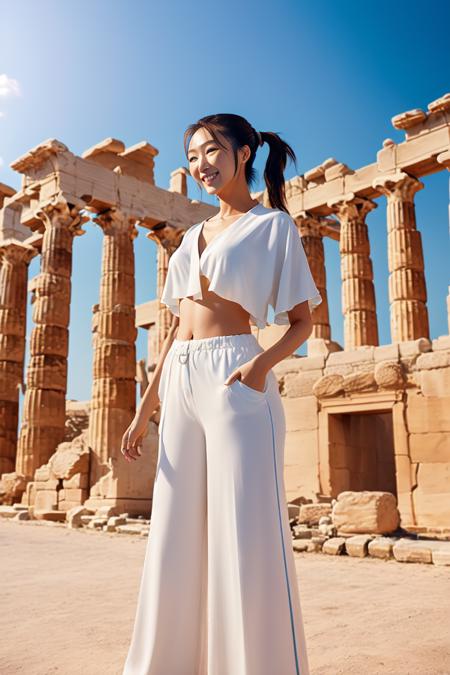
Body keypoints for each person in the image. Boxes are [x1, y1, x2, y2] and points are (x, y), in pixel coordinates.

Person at [120, 113, 322, 675]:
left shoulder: (273, 226)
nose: (200, 164)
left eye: (211, 151)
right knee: (173, 535)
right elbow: (177, 330)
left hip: (237, 373)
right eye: (192, 156)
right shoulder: (189, 237)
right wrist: (143, 412)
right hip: (181, 379)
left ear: (244, 152)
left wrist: (259, 367)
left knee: (246, 530)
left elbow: (302, 322)